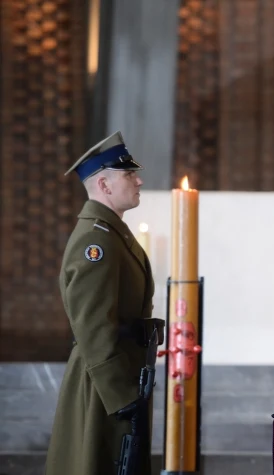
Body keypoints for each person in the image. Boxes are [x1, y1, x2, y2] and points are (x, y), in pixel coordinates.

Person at [45, 131, 161, 475]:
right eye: (129, 174)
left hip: (118, 378)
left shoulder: (111, 233)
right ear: (104, 185)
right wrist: (122, 394)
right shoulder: (96, 241)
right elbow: (93, 325)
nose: (139, 181)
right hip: (105, 386)